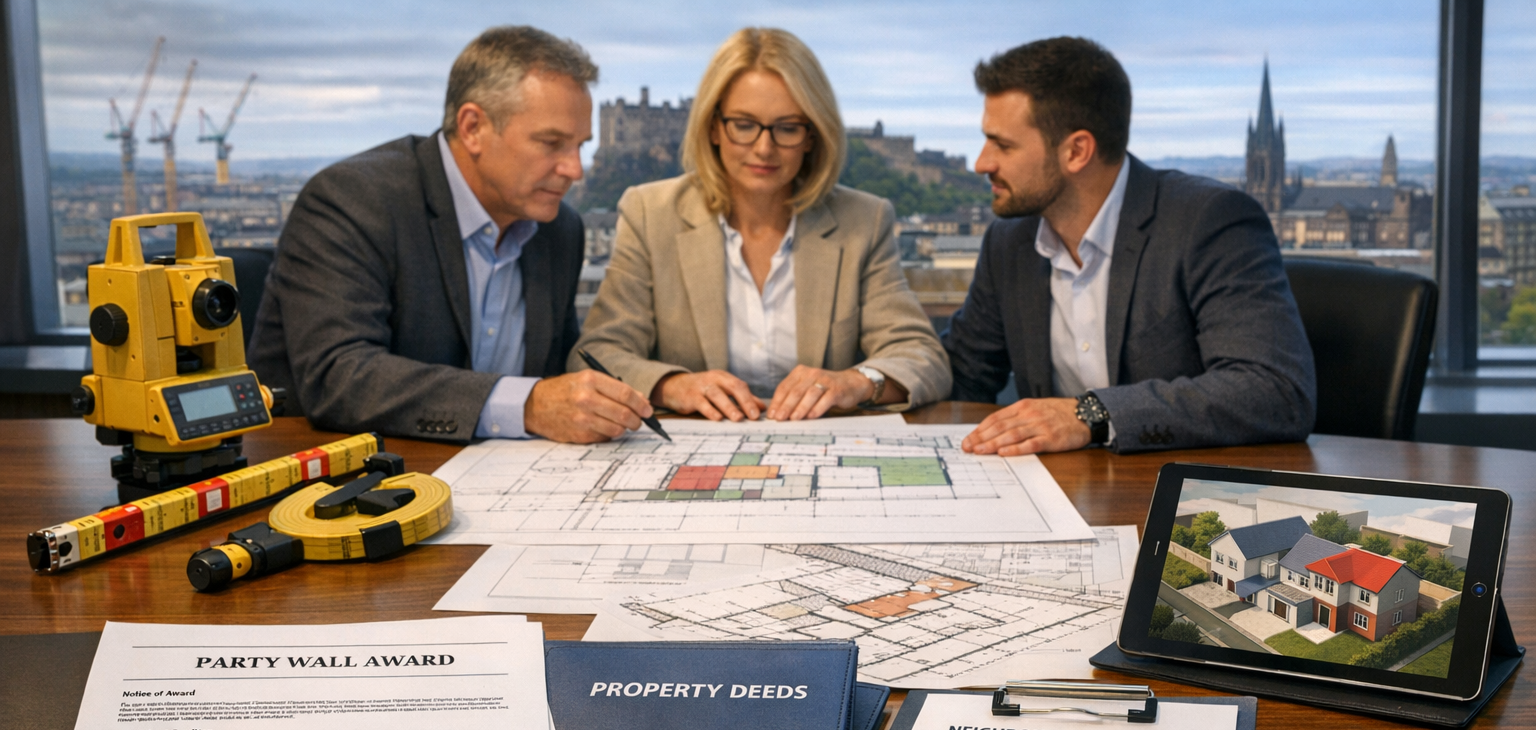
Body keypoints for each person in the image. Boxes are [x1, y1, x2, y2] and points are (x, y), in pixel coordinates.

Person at [247, 26, 655, 443]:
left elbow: (559, 371)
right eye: (551, 143)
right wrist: (526, 405)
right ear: (473, 127)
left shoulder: (559, 229)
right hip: (339, 482)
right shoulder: (354, 200)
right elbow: (338, 376)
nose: (575, 170)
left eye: (580, 146)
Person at [945, 37, 1316, 455]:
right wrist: (874, 380)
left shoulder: (1209, 220)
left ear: (1077, 151)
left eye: (1003, 145)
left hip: (1173, 497)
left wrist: (1091, 415)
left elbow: (1275, 391)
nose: (981, 163)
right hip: (1057, 492)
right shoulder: (1009, 240)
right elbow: (962, 373)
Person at [570, 27, 951, 422]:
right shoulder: (649, 212)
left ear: (812, 136)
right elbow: (597, 354)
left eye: (787, 127)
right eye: (744, 124)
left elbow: (922, 356)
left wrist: (856, 382)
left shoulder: (863, 219)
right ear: (714, 126)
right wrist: (671, 385)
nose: (764, 148)